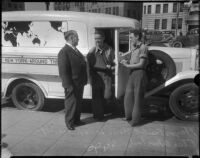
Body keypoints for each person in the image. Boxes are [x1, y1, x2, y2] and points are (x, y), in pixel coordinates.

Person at [57, 30, 87, 130]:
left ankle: (77, 120)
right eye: (77, 37)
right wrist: (68, 85)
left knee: (78, 102)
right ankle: (69, 122)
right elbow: (63, 71)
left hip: (79, 82)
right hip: (71, 84)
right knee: (71, 103)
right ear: (71, 38)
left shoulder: (75, 50)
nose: (78, 39)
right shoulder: (64, 52)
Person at [120, 29, 148, 126]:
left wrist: (127, 66)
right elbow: (133, 61)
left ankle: (135, 121)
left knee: (137, 98)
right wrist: (125, 61)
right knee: (128, 96)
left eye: (131, 37)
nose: (130, 39)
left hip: (139, 74)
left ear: (137, 37)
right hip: (132, 73)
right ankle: (128, 116)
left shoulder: (143, 47)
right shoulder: (134, 48)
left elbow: (141, 64)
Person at [87, 30, 115, 121]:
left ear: (103, 38)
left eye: (99, 38)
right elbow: (88, 65)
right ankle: (98, 116)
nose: (97, 41)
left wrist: (111, 66)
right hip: (96, 75)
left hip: (106, 75)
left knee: (107, 95)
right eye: (95, 39)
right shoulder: (92, 50)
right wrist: (90, 78)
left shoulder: (109, 49)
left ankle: (106, 111)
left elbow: (114, 62)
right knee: (96, 97)